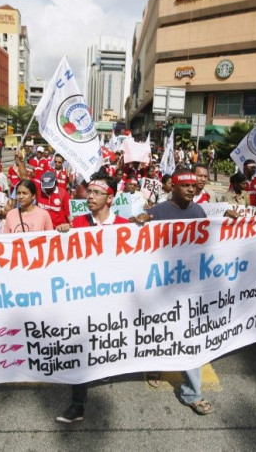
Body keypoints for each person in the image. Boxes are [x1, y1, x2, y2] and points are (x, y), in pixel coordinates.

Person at [134, 167, 214, 415]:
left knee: (191, 338)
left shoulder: (199, 211)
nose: (192, 189)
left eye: (194, 186)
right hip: (161, 287)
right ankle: (157, 366)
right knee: (159, 330)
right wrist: (140, 220)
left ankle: (192, 393)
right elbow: (129, 237)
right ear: (174, 187)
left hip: (190, 288)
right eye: (186, 186)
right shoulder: (157, 212)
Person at [55, 171, 130, 424]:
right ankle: (78, 405)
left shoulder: (125, 226)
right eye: (89, 192)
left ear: (110, 199)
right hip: (83, 299)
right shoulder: (77, 224)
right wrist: (62, 232)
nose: (90, 196)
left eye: (97, 193)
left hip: (113, 300)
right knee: (80, 349)